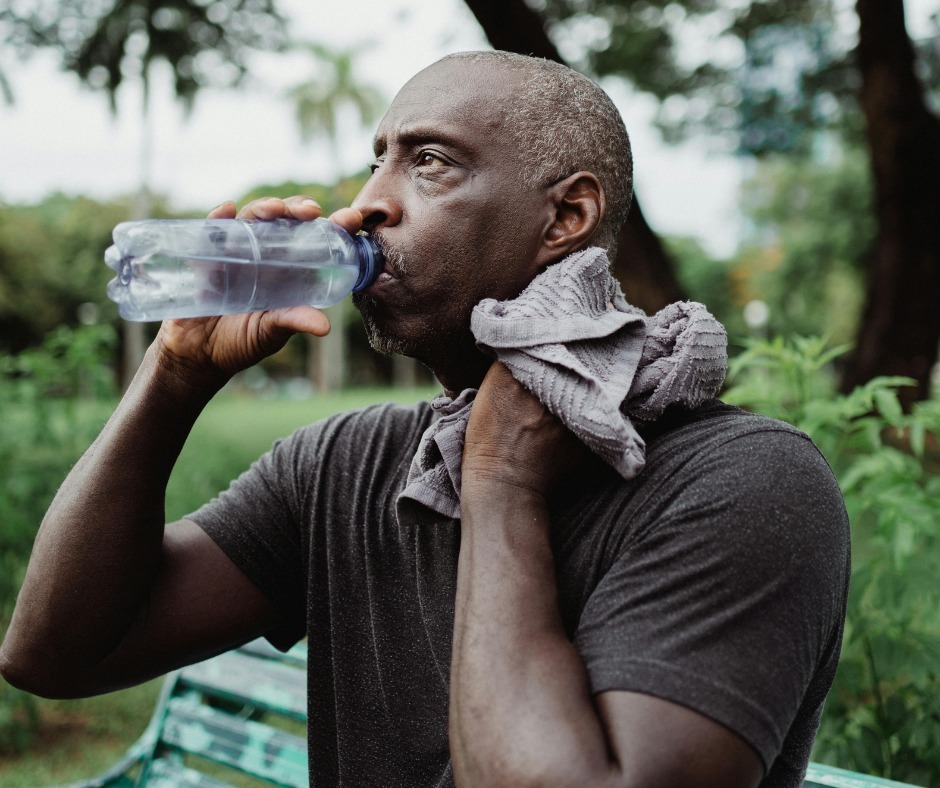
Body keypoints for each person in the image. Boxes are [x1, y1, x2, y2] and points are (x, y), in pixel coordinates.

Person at [0, 51, 849, 787]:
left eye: (430, 162)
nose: (368, 202)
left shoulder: (742, 484)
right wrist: (174, 374)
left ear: (564, 218)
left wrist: (502, 482)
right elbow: (52, 652)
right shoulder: (344, 464)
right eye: (375, 162)